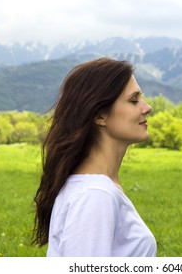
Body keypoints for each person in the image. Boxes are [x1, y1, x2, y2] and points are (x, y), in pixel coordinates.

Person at [33, 58, 156, 257]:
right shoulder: (95, 194)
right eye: (134, 100)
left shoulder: (99, 189)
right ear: (99, 116)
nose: (147, 107)